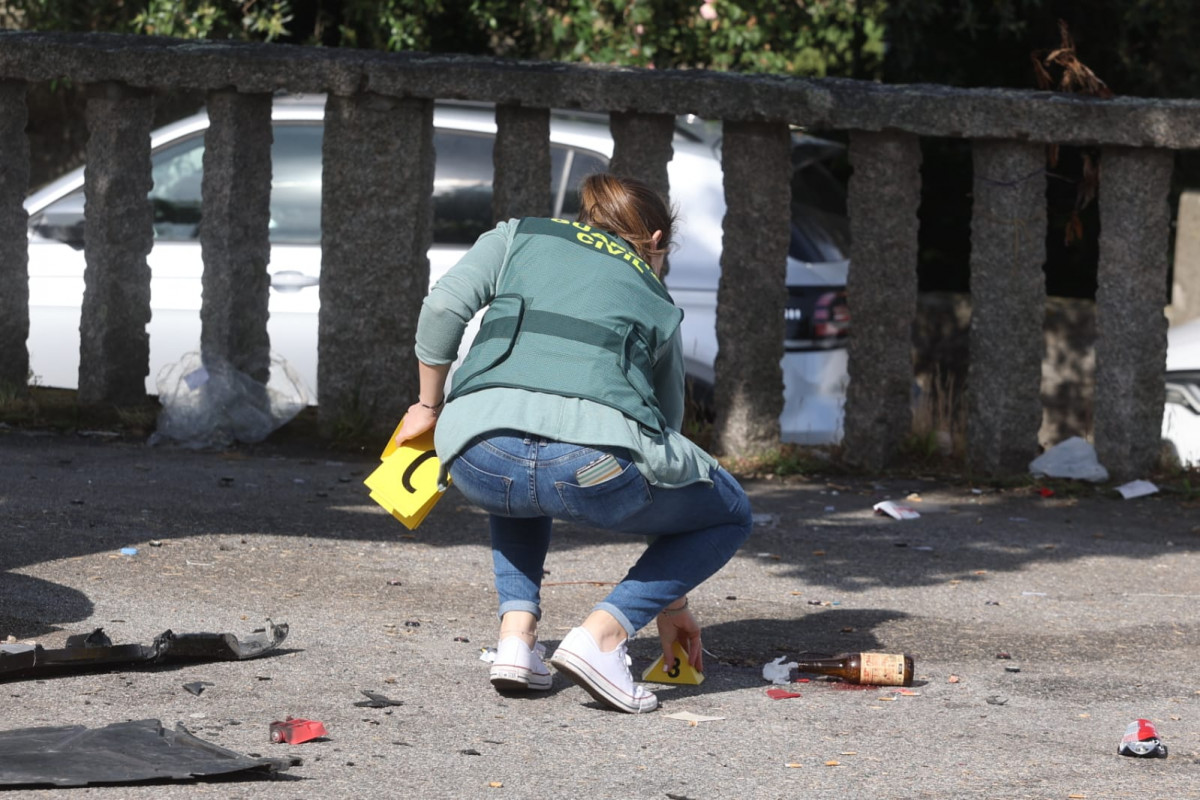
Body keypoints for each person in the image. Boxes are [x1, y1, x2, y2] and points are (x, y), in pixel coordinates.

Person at [393, 173, 752, 713]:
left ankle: (516, 639)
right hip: (595, 467)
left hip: (475, 452)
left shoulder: (518, 235)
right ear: (656, 243)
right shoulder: (657, 299)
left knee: (514, 469)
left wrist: (427, 405)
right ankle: (603, 635)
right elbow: (664, 437)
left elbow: (444, 307)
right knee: (730, 512)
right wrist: (669, 595)